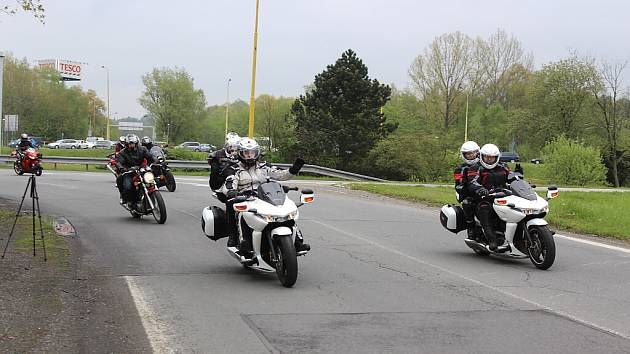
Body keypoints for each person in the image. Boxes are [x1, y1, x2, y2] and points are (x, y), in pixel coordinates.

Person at [221, 138, 307, 253]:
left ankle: (297, 241)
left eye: (252, 153)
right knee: (240, 211)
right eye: (246, 153)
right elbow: (229, 182)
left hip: (264, 195)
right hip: (245, 197)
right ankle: (240, 240)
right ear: (241, 153)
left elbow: (281, 175)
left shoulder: (263, 166)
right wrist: (231, 191)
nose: (250, 156)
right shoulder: (234, 168)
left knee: (286, 211)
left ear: (257, 153)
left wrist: (293, 169)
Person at [466, 143, 511, 251]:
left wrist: (519, 178)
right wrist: (480, 189)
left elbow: (511, 177)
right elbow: (472, 181)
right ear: (482, 156)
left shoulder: (503, 167)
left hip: (502, 196)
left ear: (496, 157)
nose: (489, 159)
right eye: (486, 157)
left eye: (491, 157)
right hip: (483, 198)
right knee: (484, 209)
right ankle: (492, 239)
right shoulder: (476, 167)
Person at [115, 134, 156, 204]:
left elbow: (150, 157)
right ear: (126, 144)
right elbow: (119, 162)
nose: (131, 145)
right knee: (128, 187)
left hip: (141, 170)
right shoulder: (123, 152)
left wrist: (155, 161)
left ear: (136, 143)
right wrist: (121, 168)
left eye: (133, 143)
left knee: (150, 180)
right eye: (129, 144)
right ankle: (128, 200)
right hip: (129, 172)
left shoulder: (143, 149)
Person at [453, 141, 480, 240]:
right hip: (467, 193)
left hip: (482, 190)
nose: (471, 155)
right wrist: (464, 184)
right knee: (467, 203)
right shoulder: (460, 169)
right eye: (468, 154)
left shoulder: (483, 164)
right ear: (464, 155)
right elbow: (459, 185)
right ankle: (471, 227)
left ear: (477, 152)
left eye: (473, 152)